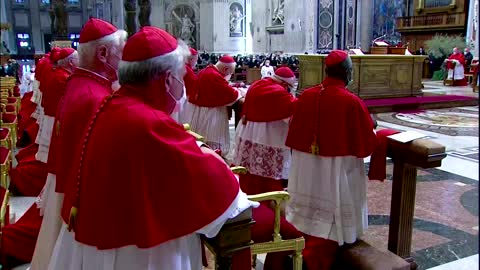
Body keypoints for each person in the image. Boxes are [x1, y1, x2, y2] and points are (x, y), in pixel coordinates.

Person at [47, 26, 257, 270]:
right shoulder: (148, 123)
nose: (183, 87)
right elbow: (223, 188)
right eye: (181, 77)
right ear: (167, 80)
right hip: (138, 255)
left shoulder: (113, 104)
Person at [29, 18, 127, 270]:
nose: (124, 60)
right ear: (103, 54)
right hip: (80, 197)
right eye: (121, 53)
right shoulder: (95, 97)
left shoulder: (81, 84)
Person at [285, 50, 378, 270]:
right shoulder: (351, 102)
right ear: (347, 73)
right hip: (335, 168)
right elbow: (366, 144)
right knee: (332, 205)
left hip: (306, 167)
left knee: (308, 205)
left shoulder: (306, 96)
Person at [232, 67, 296, 195]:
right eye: (288, 87)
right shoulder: (277, 92)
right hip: (267, 135)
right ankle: (267, 197)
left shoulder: (258, 84)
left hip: (249, 132)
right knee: (266, 172)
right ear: (284, 84)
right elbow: (292, 110)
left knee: (250, 166)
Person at [187, 55, 246, 155]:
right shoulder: (213, 75)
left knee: (201, 137)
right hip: (211, 113)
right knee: (211, 139)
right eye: (230, 72)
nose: (230, 75)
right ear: (225, 68)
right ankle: (213, 155)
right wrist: (241, 91)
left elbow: (223, 86)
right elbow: (230, 94)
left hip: (202, 110)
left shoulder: (208, 71)